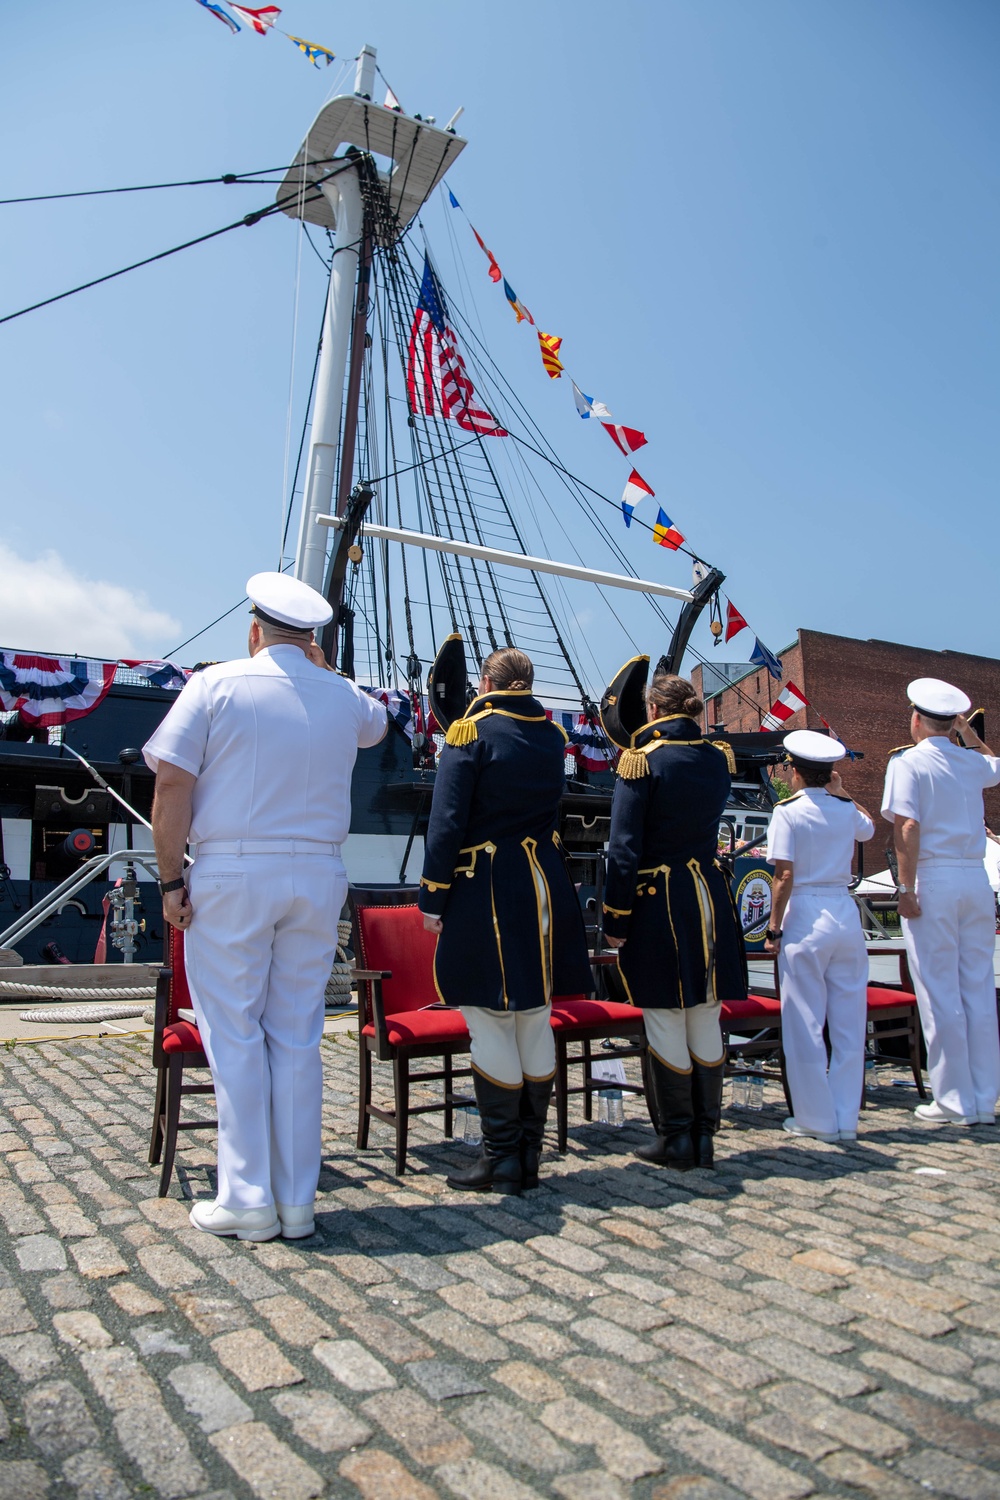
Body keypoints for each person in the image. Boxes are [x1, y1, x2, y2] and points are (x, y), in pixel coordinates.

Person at [144, 572, 387, 1240]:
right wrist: (325, 669)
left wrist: (170, 882)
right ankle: (296, 1201)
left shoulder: (215, 684)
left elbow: (170, 781)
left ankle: (247, 1197)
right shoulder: (342, 697)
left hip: (233, 873)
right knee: (297, 1036)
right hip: (317, 876)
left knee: (235, 1034)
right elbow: (379, 720)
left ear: (253, 631)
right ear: (311, 639)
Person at [419, 645, 592, 1195]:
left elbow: (446, 822)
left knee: (490, 1019)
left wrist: (433, 897)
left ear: (488, 680)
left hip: (485, 887)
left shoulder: (471, 733)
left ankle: (502, 1161)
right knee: (533, 1018)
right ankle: (528, 1158)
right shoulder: (552, 737)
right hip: (543, 885)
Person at [601, 666, 746, 1170]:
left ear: (655, 711)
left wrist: (615, 918)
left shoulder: (641, 762)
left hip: (659, 899)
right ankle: (705, 1137)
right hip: (708, 894)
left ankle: (676, 1137)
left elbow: (623, 851)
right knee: (704, 1013)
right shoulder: (716, 759)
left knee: (664, 1016)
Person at [881, 677, 1000, 1126]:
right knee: (977, 989)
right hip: (975, 877)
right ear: (951, 722)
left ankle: (952, 1099)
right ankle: (984, 1097)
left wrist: (905, 889)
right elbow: (996, 765)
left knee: (938, 990)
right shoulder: (969, 763)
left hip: (934, 876)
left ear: (915, 719)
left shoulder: (909, 763)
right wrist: (967, 734)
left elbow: (907, 827)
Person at [763, 730, 875, 1141]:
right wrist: (842, 791)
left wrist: (773, 927)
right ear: (827, 773)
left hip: (806, 911)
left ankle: (815, 1117)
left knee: (805, 1020)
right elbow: (867, 830)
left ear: (794, 772)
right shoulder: (845, 809)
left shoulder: (788, 811)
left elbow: (784, 875)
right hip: (844, 911)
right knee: (849, 1022)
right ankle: (846, 1118)